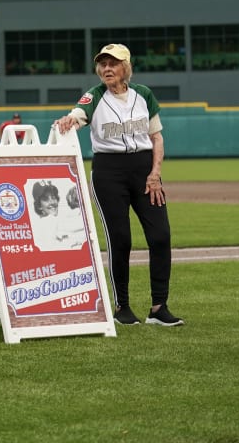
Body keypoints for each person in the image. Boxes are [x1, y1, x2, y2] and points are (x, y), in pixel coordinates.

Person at [54, 43, 183, 327]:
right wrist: (69, 120)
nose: (107, 69)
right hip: (109, 171)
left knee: (160, 235)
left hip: (144, 170)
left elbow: (157, 137)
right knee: (120, 239)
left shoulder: (143, 95)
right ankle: (122, 307)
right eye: (103, 64)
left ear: (126, 67)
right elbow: (78, 115)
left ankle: (159, 307)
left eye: (113, 63)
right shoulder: (95, 95)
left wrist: (155, 173)